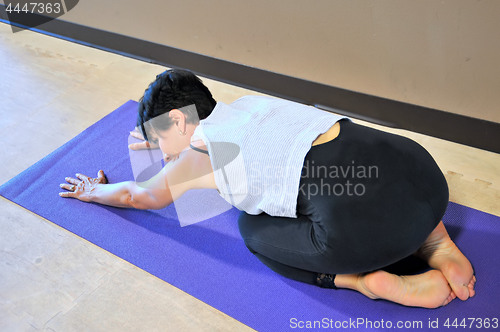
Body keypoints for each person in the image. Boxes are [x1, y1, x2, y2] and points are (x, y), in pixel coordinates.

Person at [59, 69, 475, 308]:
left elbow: (141, 195)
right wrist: (166, 147)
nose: (157, 149)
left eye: (156, 137)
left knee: (252, 231)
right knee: (353, 171)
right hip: (423, 177)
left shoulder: (201, 154)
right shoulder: (250, 104)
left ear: (179, 119)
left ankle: (365, 283)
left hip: (363, 231)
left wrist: (91, 192)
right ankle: (439, 243)